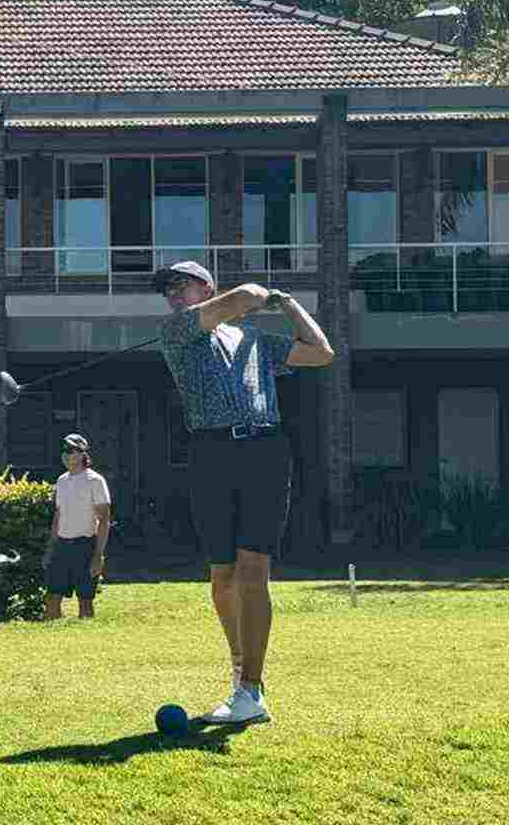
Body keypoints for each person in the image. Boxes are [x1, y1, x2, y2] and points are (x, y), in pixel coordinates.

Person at [152, 259, 334, 726]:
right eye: (168, 288)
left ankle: (251, 690)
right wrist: (259, 293)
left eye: (182, 285)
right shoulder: (176, 330)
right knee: (222, 576)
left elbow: (321, 352)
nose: (173, 294)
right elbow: (244, 298)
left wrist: (289, 303)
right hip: (210, 453)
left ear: (205, 286)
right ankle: (239, 673)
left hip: (265, 451)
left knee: (254, 570)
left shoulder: (255, 341)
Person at [44, 433, 111, 620]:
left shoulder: (95, 481)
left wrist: (98, 556)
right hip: (62, 547)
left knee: (85, 601)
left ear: (83, 454)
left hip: (86, 546)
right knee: (51, 598)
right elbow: (58, 515)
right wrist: (51, 547)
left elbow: (104, 520)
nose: (66, 455)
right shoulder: (61, 481)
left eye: (71, 451)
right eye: (63, 451)